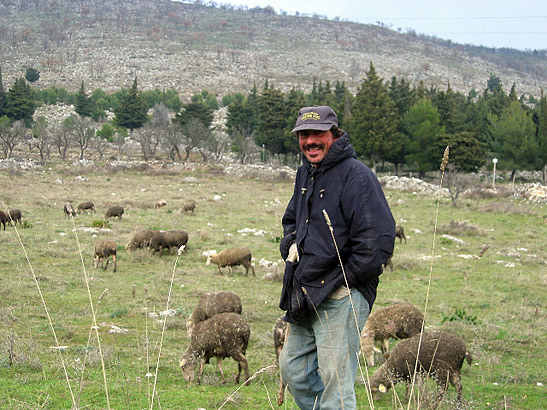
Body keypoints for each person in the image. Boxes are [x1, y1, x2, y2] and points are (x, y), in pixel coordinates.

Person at [278, 105, 395, 410]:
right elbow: (292, 219)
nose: (310, 141)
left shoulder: (357, 177)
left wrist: (346, 283)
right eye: (304, 135)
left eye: (318, 134)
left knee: (336, 382)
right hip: (308, 290)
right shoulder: (306, 172)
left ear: (334, 133)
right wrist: (291, 246)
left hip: (342, 294)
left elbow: (378, 243)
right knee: (293, 370)